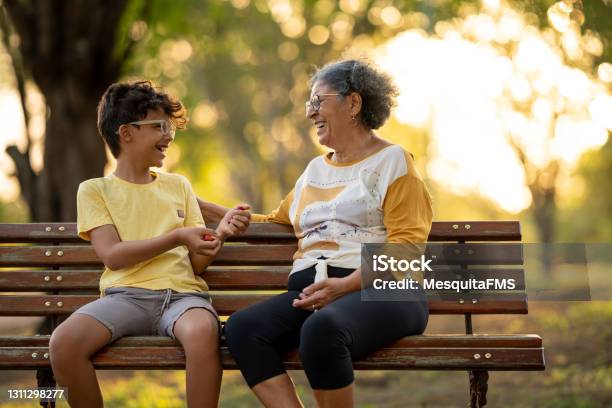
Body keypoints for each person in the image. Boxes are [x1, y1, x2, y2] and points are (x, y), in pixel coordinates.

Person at [203, 59, 434, 408]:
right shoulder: (314, 170)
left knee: (322, 331)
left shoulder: (393, 161)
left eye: (317, 101)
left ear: (353, 103)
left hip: (383, 291)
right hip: (315, 294)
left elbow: (406, 246)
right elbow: (275, 221)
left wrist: (346, 284)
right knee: (242, 329)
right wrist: (194, 203)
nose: (310, 113)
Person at [48, 80, 251, 408]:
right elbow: (113, 256)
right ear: (126, 133)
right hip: (125, 297)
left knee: (202, 331)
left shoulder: (178, 186)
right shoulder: (95, 190)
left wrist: (221, 234)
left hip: (183, 297)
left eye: (169, 126)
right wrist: (176, 237)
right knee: (63, 344)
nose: (169, 135)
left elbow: (196, 264)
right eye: (159, 126)